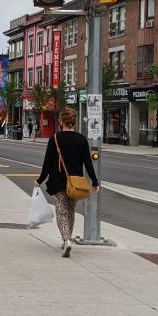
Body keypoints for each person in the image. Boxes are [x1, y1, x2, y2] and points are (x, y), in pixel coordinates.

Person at [36, 108, 100, 258]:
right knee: (70, 211)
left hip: (59, 181)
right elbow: (88, 164)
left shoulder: (55, 139)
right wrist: (95, 181)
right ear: (73, 122)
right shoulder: (82, 140)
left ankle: (66, 239)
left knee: (61, 212)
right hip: (76, 183)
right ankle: (68, 238)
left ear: (61, 121)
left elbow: (47, 164)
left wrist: (39, 180)